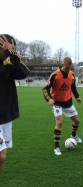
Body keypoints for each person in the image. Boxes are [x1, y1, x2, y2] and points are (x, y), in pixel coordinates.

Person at [0, 34, 30, 175]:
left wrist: (13, 54)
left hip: (5, 117)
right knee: (1, 155)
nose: (10, 51)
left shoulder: (8, 63)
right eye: (9, 47)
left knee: (1, 158)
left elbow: (24, 72)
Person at [42, 57, 82, 155]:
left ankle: (73, 135)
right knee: (60, 122)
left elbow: (73, 87)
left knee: (77, 121)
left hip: (67, 102)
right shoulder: (55, 75)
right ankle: (57, 147)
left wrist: (77, 97)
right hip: (57, 103)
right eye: (66, 68)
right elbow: (45, 88)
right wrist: (49, 99)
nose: (68, 71)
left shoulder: (71, 75)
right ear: (62, 65)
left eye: (69, 69)